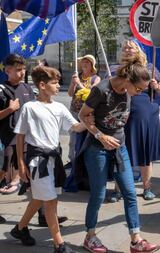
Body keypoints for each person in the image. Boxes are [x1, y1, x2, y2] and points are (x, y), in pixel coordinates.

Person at [77, 54, 160, 253]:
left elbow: (123, 118)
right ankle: (90, 236)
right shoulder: (102, 90)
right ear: (128, 80)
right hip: (98, 149)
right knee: (98, 195)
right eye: (138, 88)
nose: (139, 93)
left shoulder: (129, 92)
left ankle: (136, 240)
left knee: (130, 193)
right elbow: (83, 114)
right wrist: (100, 135)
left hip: (120, 148)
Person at [11, 66, 85, 253]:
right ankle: (59, 244)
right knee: (50, 201)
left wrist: (92, 116)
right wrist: (21, 163)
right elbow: (20, 135)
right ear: (42, 85)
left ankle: (19, 229)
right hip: (37, 161)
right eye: (55, 82)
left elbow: (76, 127)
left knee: (38, 198)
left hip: (54, 160)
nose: (58, 85)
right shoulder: (30, 107)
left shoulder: (59, 107)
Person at [123, 39, 160, 201]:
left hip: (145, 115)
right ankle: (118, 189)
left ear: (138, 50)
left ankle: (147, 188)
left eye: (130, 47)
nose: (127, 50)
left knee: (144, 152)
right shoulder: (118, 69)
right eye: (125, 48)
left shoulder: (150, 69)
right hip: (123, 113)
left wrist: (156, 87)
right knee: (121, 153)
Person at [0, 54, 35, 195]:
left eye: (24, 69)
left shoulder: (27, 89)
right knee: (3, 172)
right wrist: (10, 109)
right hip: (7, 140)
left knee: (33, 176)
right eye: (18, 69)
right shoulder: (2, 89)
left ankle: (43, 215)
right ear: (8, 71)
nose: (22, 72)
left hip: (26, 139)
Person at [67, 54, 101, 165]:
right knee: (73, 138)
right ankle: (72, 160)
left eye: (87, 62)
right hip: (74, 111)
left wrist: (79, 84)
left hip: (87, 113)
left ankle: (84, 162)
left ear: (92, 65)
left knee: (86, 138)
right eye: (83, 62)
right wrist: (73, 84)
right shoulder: (77, 76)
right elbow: (70, 93)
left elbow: (91, 93)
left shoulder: (96, 78)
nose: (84, 64)